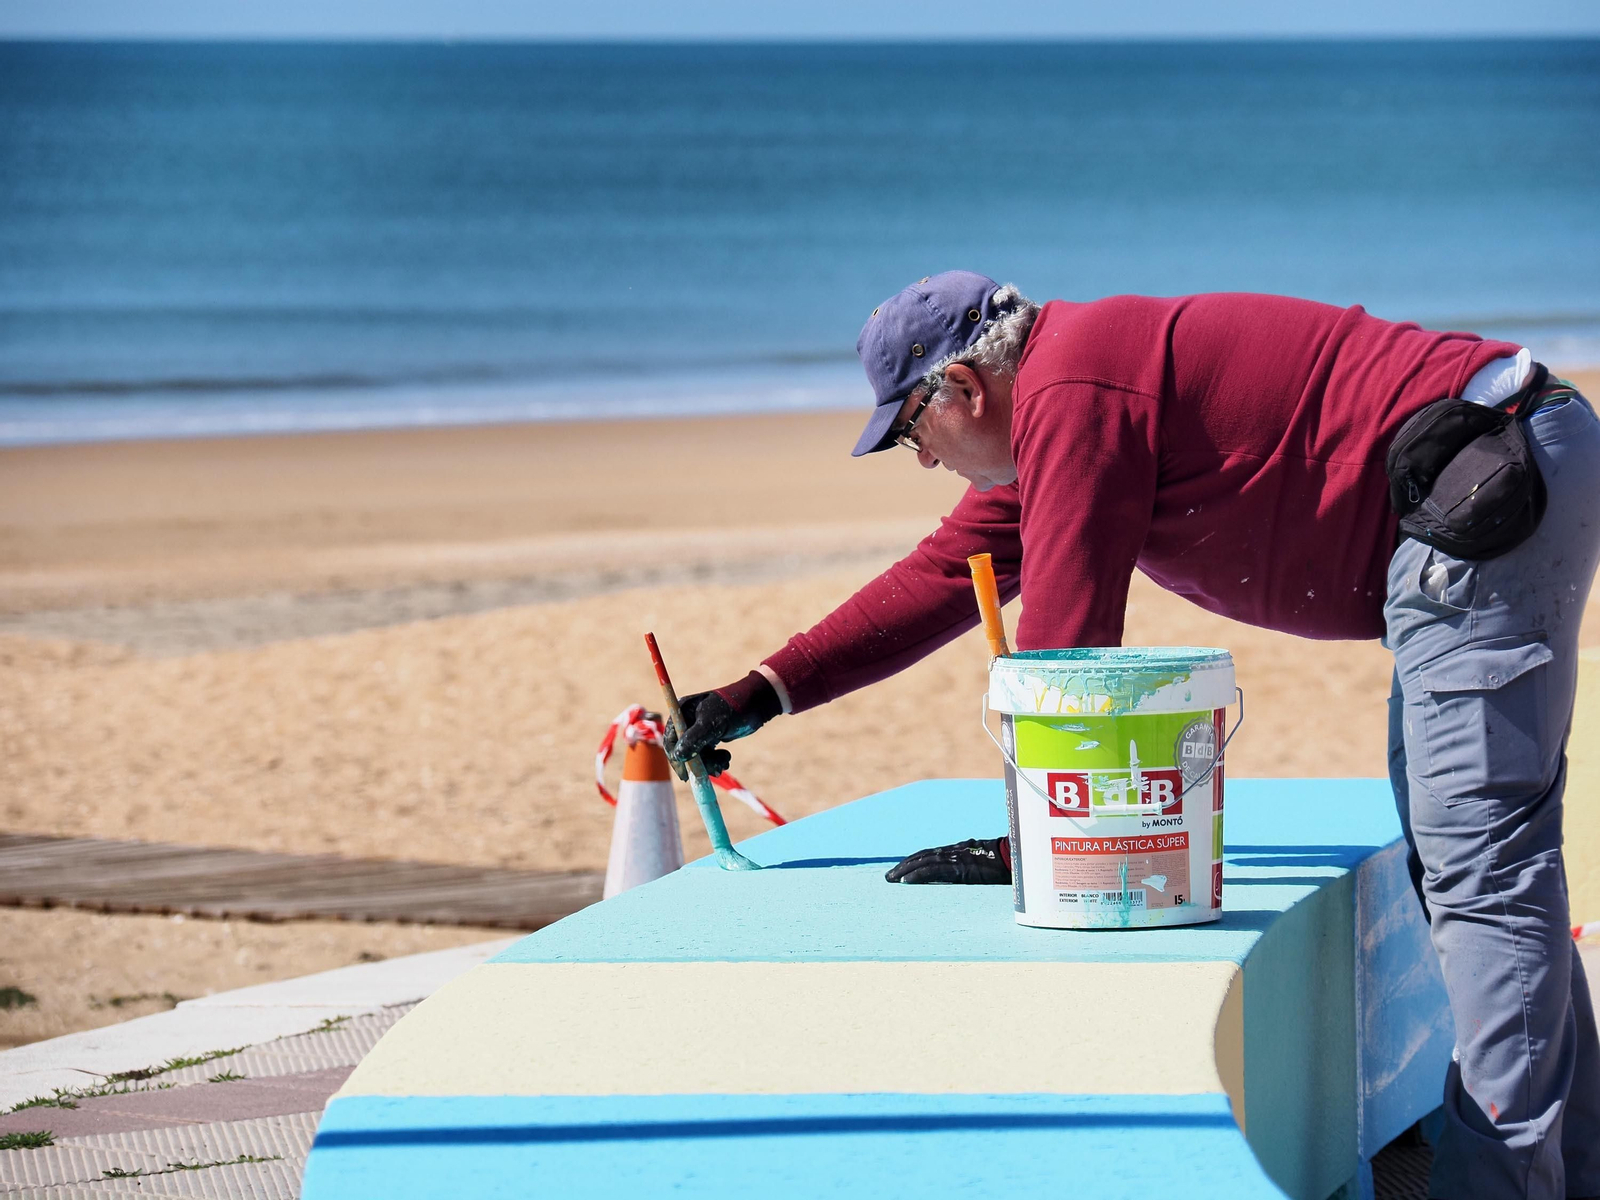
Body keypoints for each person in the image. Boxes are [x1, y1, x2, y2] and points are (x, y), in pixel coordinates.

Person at [664, 270, 1600, 1199]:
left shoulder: (1075, 396)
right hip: (1499, 456)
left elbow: (1067, 655)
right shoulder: (1073, 396)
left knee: (1481, 867)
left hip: (1485, 468)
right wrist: (765, 689)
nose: (920, 460)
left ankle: (1501, 1186)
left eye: (911, 430)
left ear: (963, 388)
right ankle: (1578, 1162)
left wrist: (1031, 840)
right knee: (1475, 862)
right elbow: (950, 571)